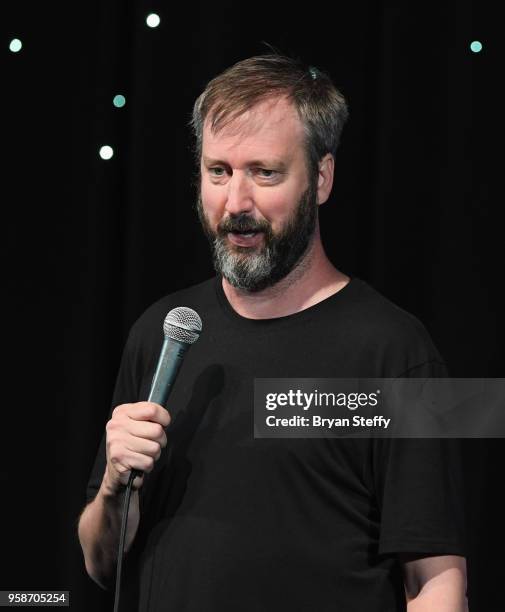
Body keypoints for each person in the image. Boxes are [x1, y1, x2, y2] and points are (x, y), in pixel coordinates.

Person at [78, 55, 467, 611]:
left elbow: (436, 583)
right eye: (218, 172)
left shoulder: (398, 351)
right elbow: (99, 562)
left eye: (265, 173)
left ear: (322, 178)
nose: (236, 204)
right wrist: (115, 487)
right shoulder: (163, 332)